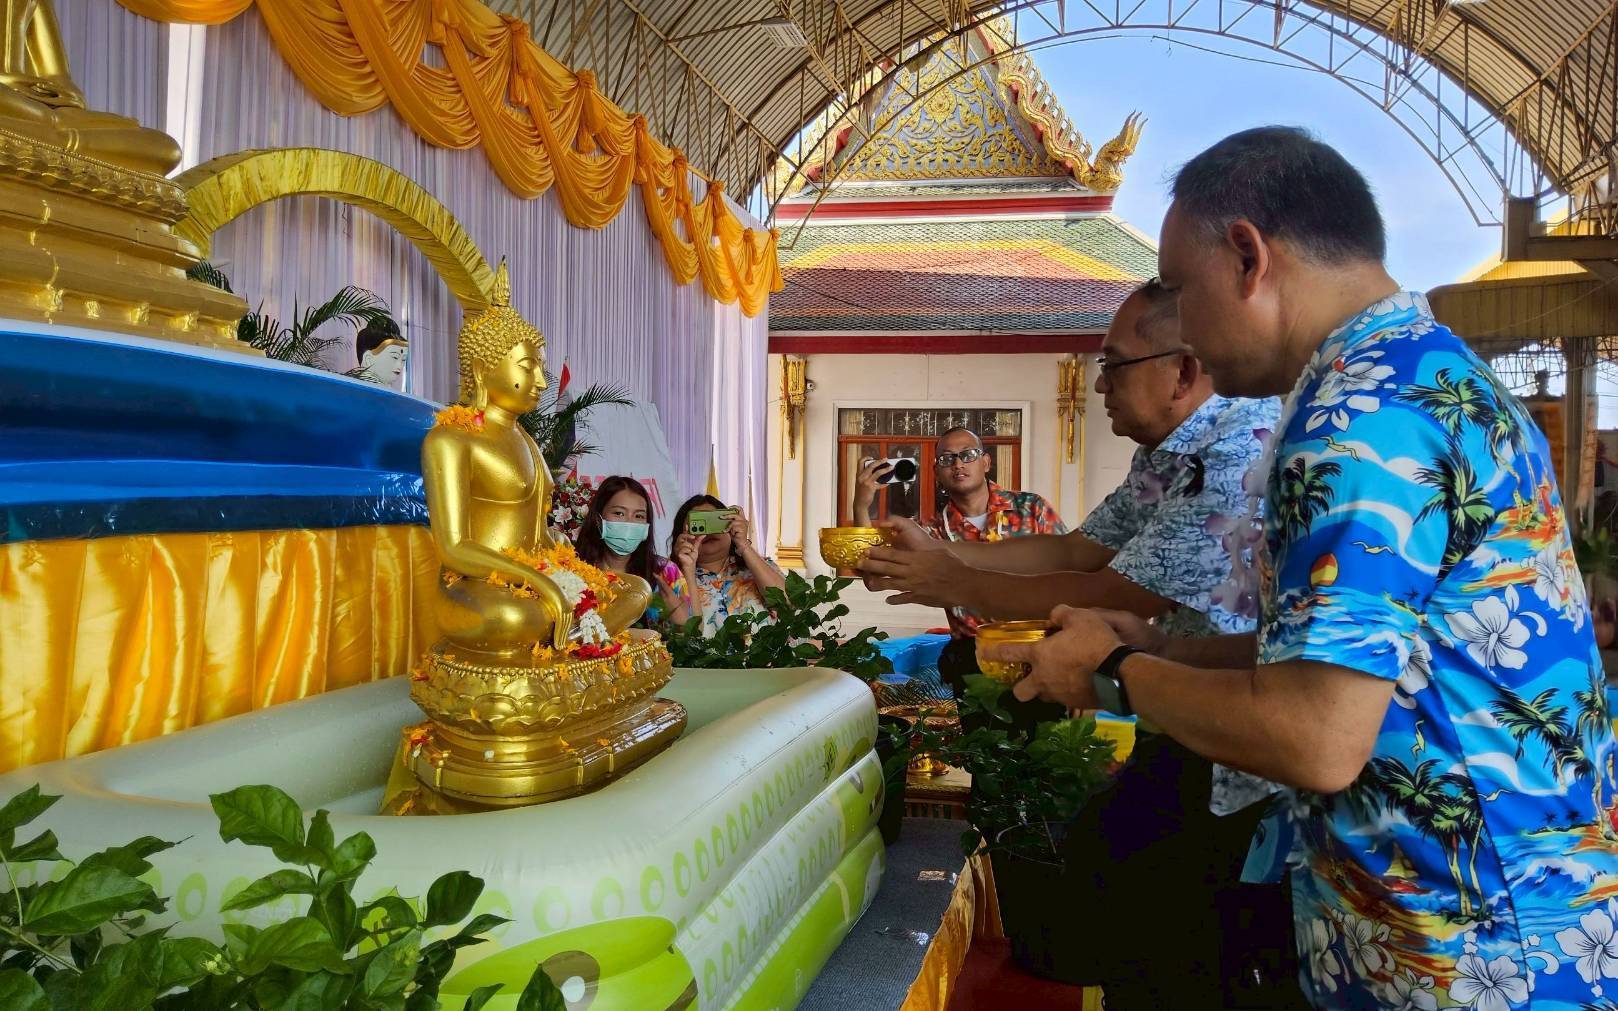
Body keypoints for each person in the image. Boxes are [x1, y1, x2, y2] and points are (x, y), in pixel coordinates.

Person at [990, 126, 1618, 1010]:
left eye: (1179, 287)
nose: (1183, 327)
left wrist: (1114, 672)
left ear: (1248, 257)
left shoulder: (1353, 421)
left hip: (1462, 953)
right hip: (1527, 918)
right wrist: (1163, 648)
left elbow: (1316, 735)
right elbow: (1365, 660)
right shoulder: (1432, 374)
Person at [863, 281, 1293, 1008]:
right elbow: (1078, 549)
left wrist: (953, 577)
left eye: (1114, 365)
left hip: (1237, 737)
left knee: (1177, 935)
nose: (1098, 386)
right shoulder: (1168, 455)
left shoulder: (1232, 451)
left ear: (1182, 370)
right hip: (1174, 703)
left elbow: (1117, 592)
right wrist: (942, 558)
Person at [852, 426, 1065, 690]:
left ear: (986, 462)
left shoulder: (1032, 509)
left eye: (968, 454)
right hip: (973, 660)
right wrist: (861, 505)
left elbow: (1072, 571)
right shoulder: (929, 534)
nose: (958, 464)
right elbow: (874, 575)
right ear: (936, 471)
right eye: (947, 458)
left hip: (1041, 649)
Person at [574, 476, 692, 628]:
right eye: (619, 513)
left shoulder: (665, 572)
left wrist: (681, 622)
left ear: (646, 525)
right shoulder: (574, 570)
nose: (629, 523)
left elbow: (693, 631)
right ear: (598, 519)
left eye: (639, 516)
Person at [669, 494, 786, 635]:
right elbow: (687, 634)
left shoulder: (759, 565)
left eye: (714, 521)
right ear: (681, 537)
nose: (708, 532)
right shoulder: (673, 580)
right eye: (698, 525)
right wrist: (687, 568)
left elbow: (787, 603)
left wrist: (743, 545)